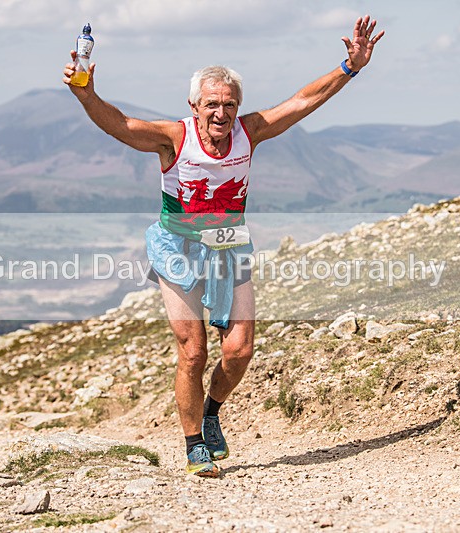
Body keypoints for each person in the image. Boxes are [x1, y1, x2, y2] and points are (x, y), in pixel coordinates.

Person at [63, 15, 384, 477]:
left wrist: (349, 68)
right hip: (178, 248)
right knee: (192, 350)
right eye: (211, 104)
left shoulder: (248, 132)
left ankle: (211, 413)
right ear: (194, 105)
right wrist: (87, 94)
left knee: (239, 351)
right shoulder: (175, 138)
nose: (220, 113)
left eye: (229, 104)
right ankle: (194, 443)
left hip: (230, 248)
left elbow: (302, 101)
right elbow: (121, 125)